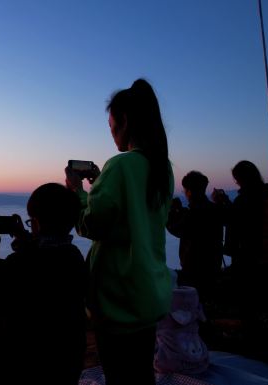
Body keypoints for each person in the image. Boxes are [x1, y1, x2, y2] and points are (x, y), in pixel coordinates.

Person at [65, 78, 173, 385]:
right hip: (149, 292)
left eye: (112, 127)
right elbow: (131, 213)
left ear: (125, 121)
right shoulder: (162, 169)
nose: (112, 135)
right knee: (140, 374)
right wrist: (99, 185)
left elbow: (91, 225)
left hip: (118, 298)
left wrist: (76, 191)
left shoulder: (120, 166)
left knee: (121, 376)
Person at [0, 183, 87, 385]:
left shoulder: (20, 267)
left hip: (19, 368)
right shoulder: (74, 259)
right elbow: (46, 261)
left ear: (36, 222)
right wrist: (25, 238)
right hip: (64, 365)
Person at [220, 160, 268, 317]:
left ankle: (253, 334)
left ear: (241, 179)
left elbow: (235, 222)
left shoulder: (245, 200)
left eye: (236, 178)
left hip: (250, 256)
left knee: (251, 302)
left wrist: (222, 203)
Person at [166, 171, 225, 302]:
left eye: (185, 190)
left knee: (197, 301)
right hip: (213, 263)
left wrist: (171, 212)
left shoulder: (194, 213)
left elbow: (176, 228)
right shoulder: (214, 209)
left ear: (190, 191)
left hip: (194, 266)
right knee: (209, 297)